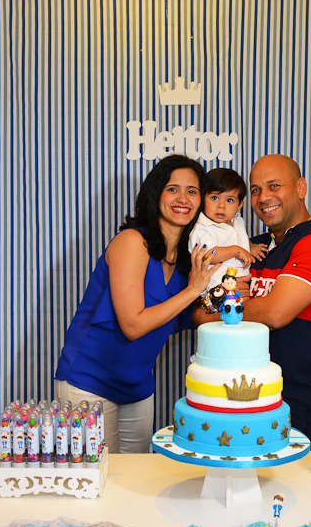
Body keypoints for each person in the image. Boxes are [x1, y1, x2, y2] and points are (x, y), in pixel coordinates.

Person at [54, 155, 214, 454]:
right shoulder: (131, 241)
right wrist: (194, 289)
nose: (183, 198)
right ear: (155, 195)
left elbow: (181, 319)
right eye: (172, 189)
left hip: (138, 386)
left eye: (192, 191)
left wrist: (228, 301)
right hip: (88, 382)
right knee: (97, 475)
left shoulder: (187, 258)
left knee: (135, 476)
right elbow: (133, 324)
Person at [193, 154, 311, 442]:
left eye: (274, 186)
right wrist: (216, 302)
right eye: (255, 190)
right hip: (230, 397)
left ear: (300, 188)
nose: (264, 197)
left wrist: (219, 307)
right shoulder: (252, 247)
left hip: (288, 403)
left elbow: (275, 314)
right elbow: (198, 310)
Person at [187, 167, 268, 290]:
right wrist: (237, 250)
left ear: (239, 205)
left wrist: (248, 246)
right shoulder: (202, 229)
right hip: (217, 285)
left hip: (242, 281)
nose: (221, 206)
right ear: (203, 199)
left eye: (229, 200)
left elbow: (238, 237)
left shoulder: (238, 221)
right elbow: (210, 255)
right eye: (215, 198)